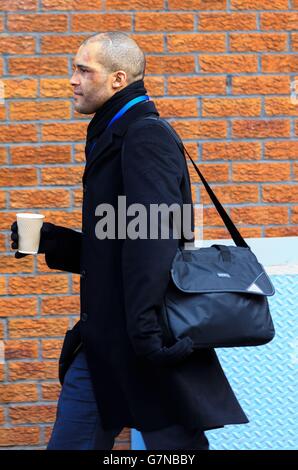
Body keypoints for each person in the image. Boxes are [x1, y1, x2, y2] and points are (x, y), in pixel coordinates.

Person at [10, 32, 248, 450]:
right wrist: (51, 240)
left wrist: (147, 337)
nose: (72, 79)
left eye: (84, 70)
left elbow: (153, 241)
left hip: (143, 343)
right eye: (75, 69)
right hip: (105, 341)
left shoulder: (143, 137)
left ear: (118, 79)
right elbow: (118, 242)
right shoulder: (113, 133)